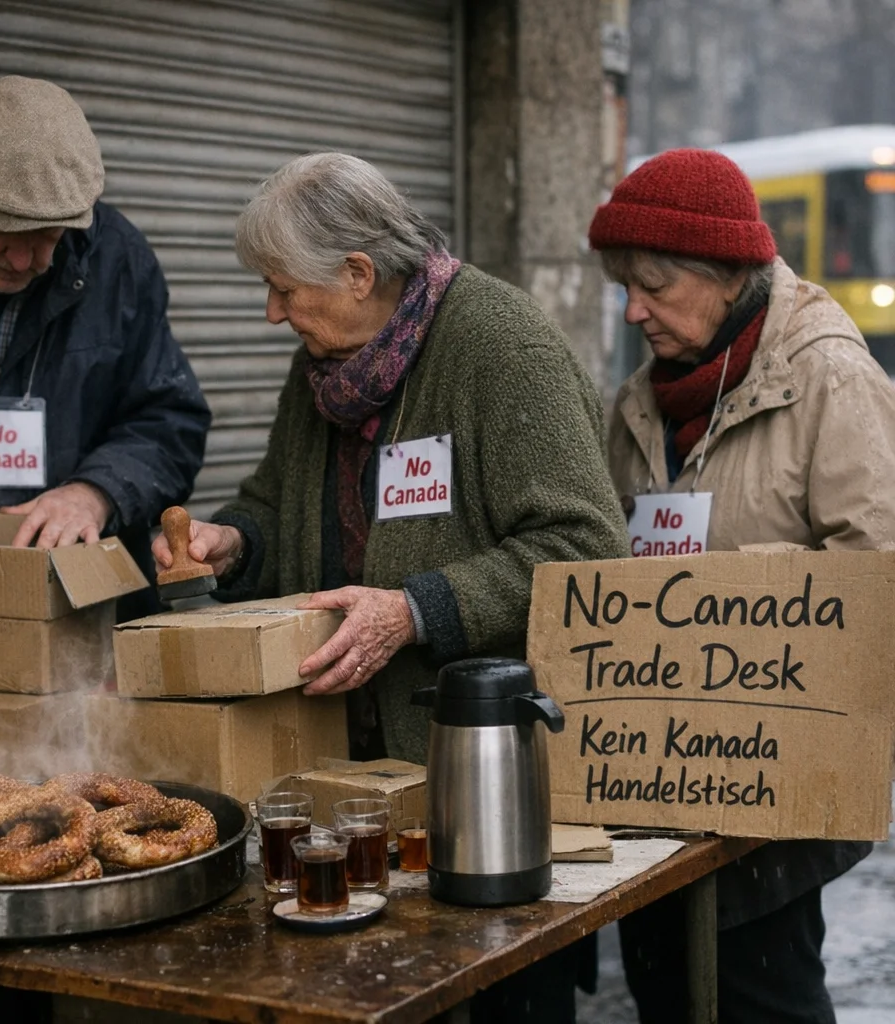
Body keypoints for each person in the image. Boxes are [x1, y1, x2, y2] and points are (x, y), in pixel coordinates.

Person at [154, 151, 628, 1020]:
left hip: (478, 786)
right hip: (343, 791)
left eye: (284, 289)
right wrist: (233, 542)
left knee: (500, 995)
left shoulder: (501, 347)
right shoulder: (326, 374)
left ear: (359, 272)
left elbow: (588, 546)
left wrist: (415, 610)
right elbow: (274, 500)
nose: (271, 312)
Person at [589, 147, 895, 1024]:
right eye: (624, 284)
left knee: (761, 992)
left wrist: (745, 604)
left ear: (727, 275)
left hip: (773, 795)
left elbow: (878, 582)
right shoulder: (639, 403)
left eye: (653, 283)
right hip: (653, 787)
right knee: (666, 991)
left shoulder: (829, 378)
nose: (633, 308)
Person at [0, 75, 211, 660]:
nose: (26, 260)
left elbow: (168, 418)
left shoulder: (118, 258)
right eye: (2, 233)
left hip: (83, 628)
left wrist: (96, 492)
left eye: (49, 236)